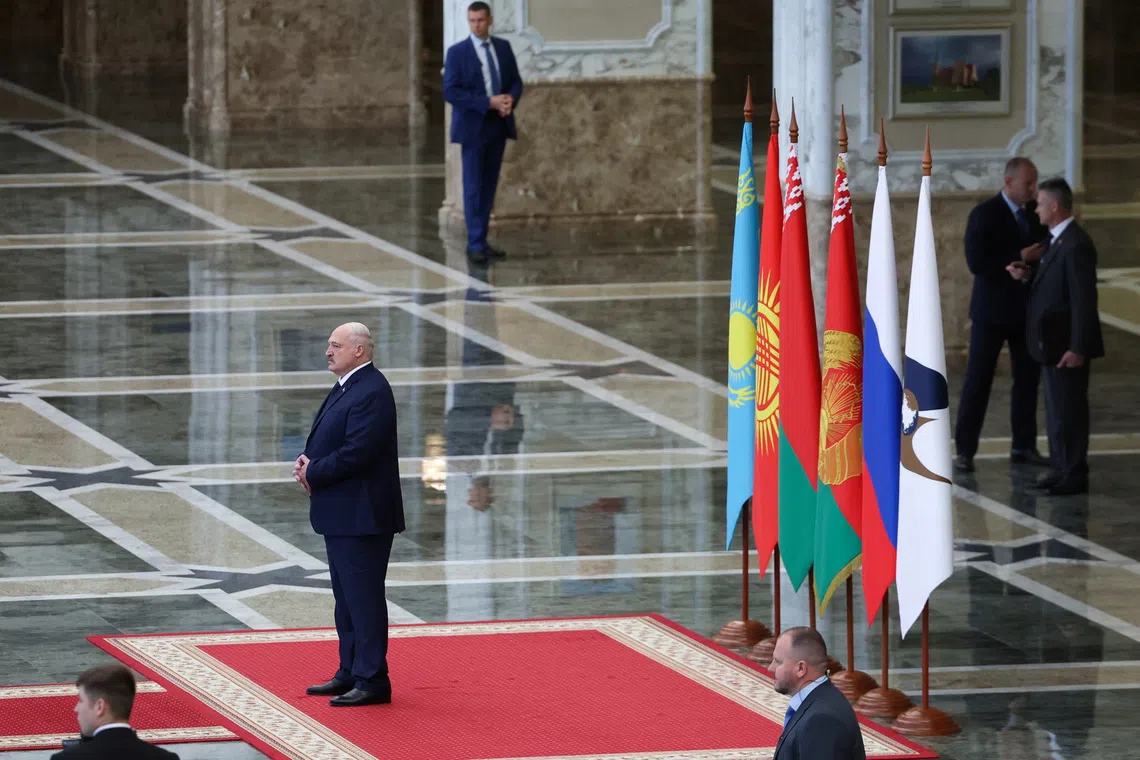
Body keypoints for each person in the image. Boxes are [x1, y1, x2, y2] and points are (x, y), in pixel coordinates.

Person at [295, 322, 406, 706]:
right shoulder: (349, 386)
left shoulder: (372, 390)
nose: (328, 351)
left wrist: (314, 471)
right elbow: (333, 438)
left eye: (335, 345)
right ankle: (350, 670)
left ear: (359, 350)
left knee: (364, 600)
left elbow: (358, 452)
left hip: (363, 516)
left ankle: (372, 679)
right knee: (346, 600)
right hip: (344, 512)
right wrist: (307, 462)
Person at [1007, 178, 1104, 495]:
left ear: (1054, 206)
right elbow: (1054, 284)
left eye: (1039, 204)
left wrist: (1078, 347)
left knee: (1070, 412)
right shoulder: (1057, 241)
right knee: (1057, 411)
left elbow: (1083, 301)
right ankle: (1060, 469)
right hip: (1052, 345)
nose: (1035, 209)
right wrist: (1028, 275)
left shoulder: (1075, 244)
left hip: (1066, 346)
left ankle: (1073, 473)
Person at [954, 157, 1050, 473]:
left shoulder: (1035, 214)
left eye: (1035, 183)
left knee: (1027, 380)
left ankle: (1023, 446)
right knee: (978, 380)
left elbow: (1046, 253)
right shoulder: (985, 214)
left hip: (1026, 311)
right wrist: (1018, 257)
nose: (1033, 189)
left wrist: (1030, 267)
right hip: (991, 313)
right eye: (1028, 183)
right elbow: (977, 262)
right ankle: (965, 450)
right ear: (1009, 182)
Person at [443, 1, 522, 265]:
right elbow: (451, 92)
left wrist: (510, 99)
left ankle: (483, 241)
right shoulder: (457, 53)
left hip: (498, 125)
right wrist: (488, 102)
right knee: (473, 186)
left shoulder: (503, 47)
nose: (476, 25)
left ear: (490, 21)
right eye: (472, 21)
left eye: (480, 20)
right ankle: (474, 243)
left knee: (489, 185)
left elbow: (515, 80)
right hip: (473, 126)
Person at [771, 627, 865, 760]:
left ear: (801, 668)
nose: (770, 668)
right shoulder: (821, 700)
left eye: (778, 662)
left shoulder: (821, 719)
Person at [52, 664, 178, 759]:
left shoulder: (67, 758)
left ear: (100, 707)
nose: (76, 708)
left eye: (80, 700)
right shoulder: (166, 758)